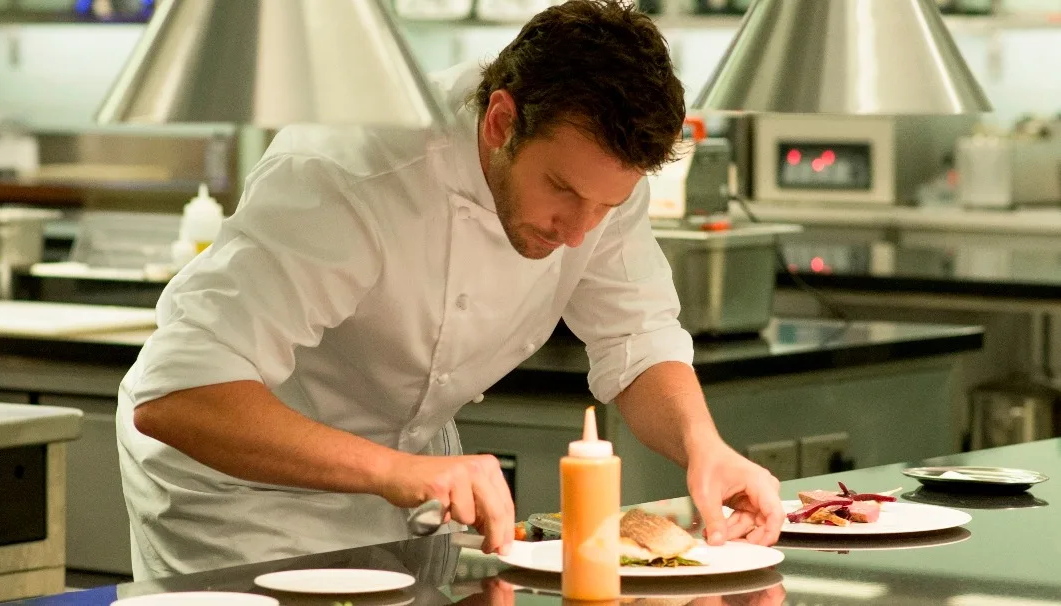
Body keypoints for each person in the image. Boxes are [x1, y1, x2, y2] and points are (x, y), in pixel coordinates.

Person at [116, 0, 783, 580]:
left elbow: (637, 339)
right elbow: (179, 393)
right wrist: (396, 472)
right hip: (242, 500)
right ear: (500, 122)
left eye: (605, 207)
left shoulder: (599, 179)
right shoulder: (346, 171)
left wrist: (704, 448)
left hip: (414, 483)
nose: (580, 232)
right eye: (560, 190)